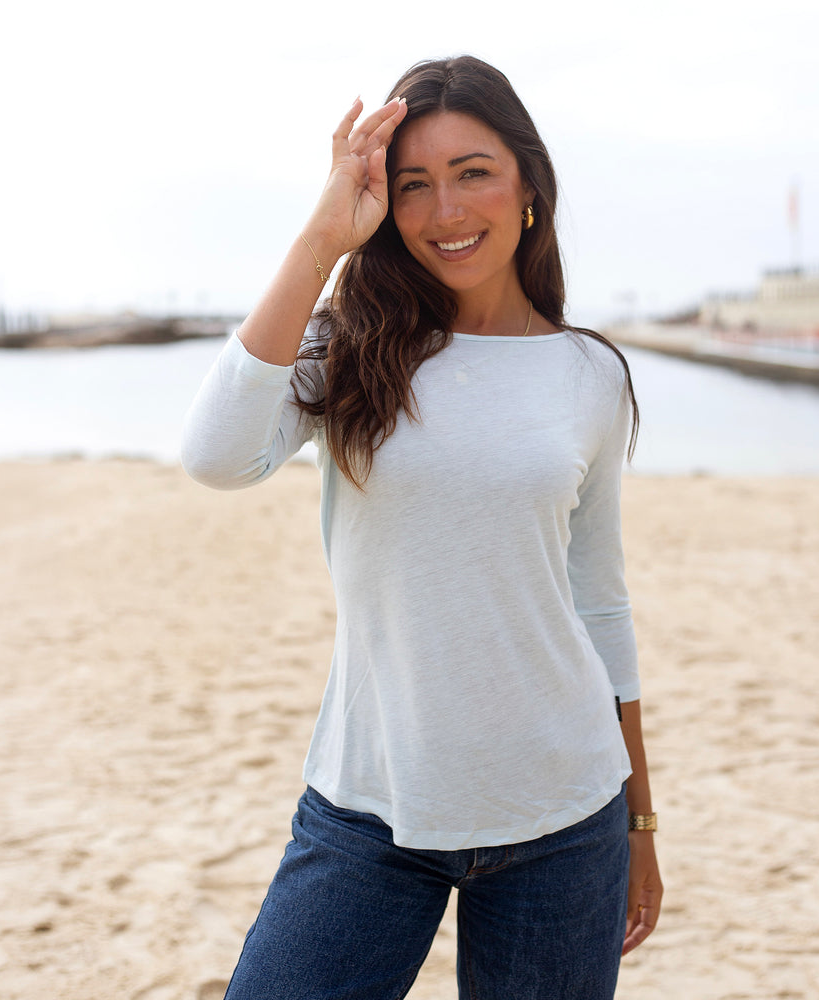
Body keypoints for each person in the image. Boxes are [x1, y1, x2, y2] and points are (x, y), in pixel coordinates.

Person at [181, 54, 663, 1000]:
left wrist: (640, 823)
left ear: (527, 183)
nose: (446, 210)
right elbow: (215, 456)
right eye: (414, 184)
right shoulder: (348, 345)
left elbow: (599, 604)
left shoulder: (590, 375)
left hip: (566, 815)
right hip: (371, 806)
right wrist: (323, 237)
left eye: (473, 172)